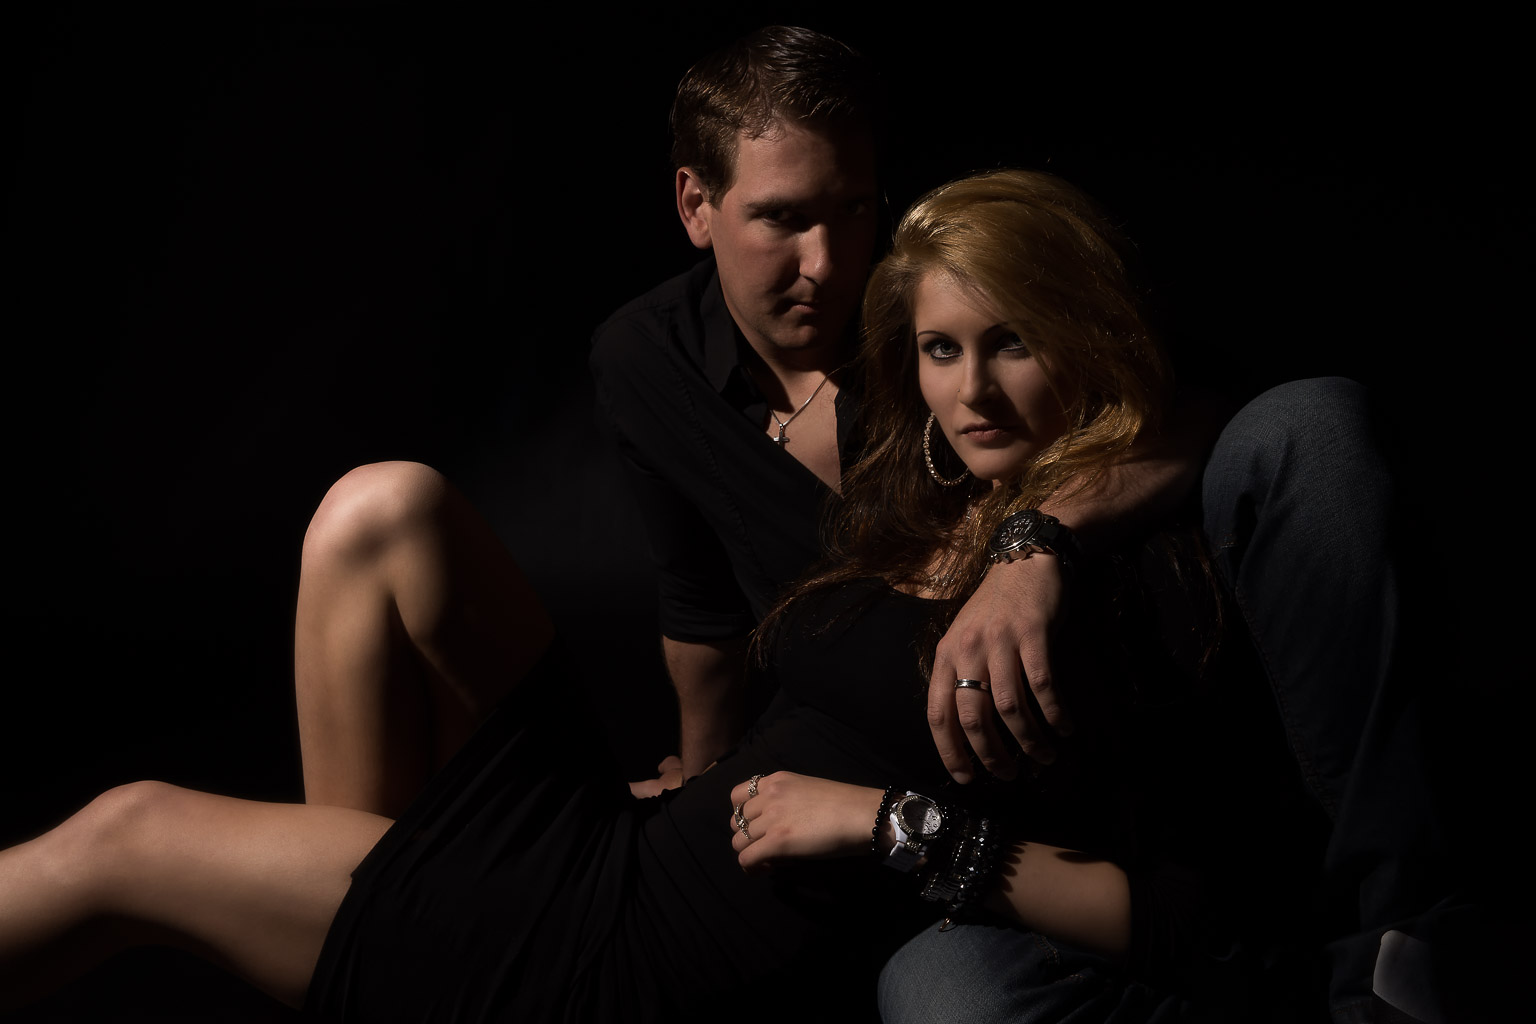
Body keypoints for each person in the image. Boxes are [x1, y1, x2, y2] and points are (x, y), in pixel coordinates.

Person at [0, 169, 1292, 1022]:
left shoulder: (1131, 580)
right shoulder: (949, 510)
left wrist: (886, 824)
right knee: (378, 512)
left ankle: (394, 950)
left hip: (632, 973)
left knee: (127, 834)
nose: (971, 391)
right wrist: (708, 776)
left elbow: (1187, 921)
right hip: (625, 857)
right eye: (942, 349)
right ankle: (394, 936)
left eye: (1012, 343)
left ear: (1084, 341)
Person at [588, 24, 1204, 788]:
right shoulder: (644, 360)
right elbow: (701, 606)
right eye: (782, 218)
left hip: (1027, 743)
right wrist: (702, 777)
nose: (826, 264)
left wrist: (1028, 549)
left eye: (852, 209)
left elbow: (1178, 413)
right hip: (824, 750)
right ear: (695, 205)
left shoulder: (939, 312)